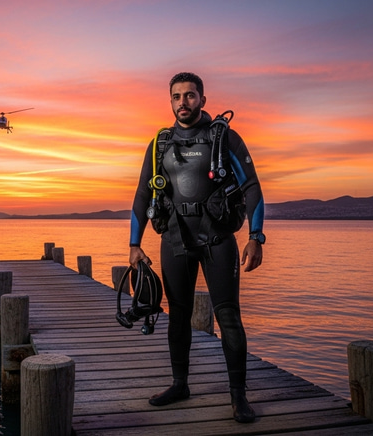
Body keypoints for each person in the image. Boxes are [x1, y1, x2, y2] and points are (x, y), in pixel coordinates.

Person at [128, 72, 265, 423]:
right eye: (176, 96)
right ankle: (179, 384)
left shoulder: (225, 139)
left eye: (190, 96)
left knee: (229, 317)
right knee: (178, 315)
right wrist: (134, 244)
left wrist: (255, 236)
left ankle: (239, 397)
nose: (183, 102)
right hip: (174, 238)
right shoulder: (160, 143)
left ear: (202, 99)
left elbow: (251, 188)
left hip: (217, 238)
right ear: (170, 101)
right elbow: (143, 194)